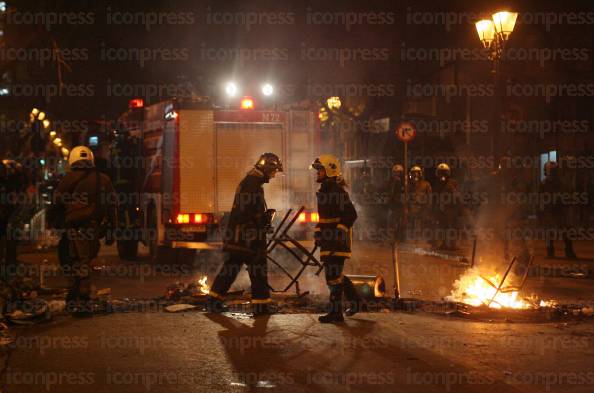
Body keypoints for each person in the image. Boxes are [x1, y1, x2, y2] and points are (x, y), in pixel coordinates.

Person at [206, 153, 283, 315]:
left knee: (232, 268)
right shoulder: (252, 185)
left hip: (240, 238)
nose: (274, 175)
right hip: (247, 239)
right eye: (274, 171)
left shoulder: (252, 182)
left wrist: (261, 220)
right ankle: (261, 307)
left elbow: (247, 212)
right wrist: (261, 222)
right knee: (258, 269)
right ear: (267, 168)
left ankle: (213, 301)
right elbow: (245, 214)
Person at [47, 146, 117, 315]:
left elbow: (56, 203)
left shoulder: (68, 179)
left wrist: (54, 224)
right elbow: (112, 206)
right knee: (84, 261)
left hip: (75, 228)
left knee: (77, 261)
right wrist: (111, 231)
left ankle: (80, 300)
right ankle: (77, 298)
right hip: (94, 228)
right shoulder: (104, 179)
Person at [310, 154, 361, 323]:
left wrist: (339, 231)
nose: (317, 173)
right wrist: (319, 233)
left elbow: (351, 214)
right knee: (335, 275)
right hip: (329, 240)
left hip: (338, 241)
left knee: (333, 277)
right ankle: (356, 301)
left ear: (329, 171)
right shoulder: (325, 190)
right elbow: (325, 219)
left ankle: (335, 313)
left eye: (320, 170)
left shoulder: (337, 191)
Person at [538, 161, 577, 259]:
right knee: (549, 232)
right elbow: (540, 198)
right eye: (551, 171)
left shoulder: (559, 183)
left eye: (554, 171)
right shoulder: (544, 183)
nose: (553, 173)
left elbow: (565, 195)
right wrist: (541, 212)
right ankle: (551, 251)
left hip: (559, 209)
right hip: (549, 210)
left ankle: (569, 251)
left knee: (565, 231)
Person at [432, 163, 460, 250]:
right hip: (442, 209)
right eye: (440, 173)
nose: (442, 175)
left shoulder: (453, 183)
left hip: (451, 209)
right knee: (442, 226)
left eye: (444, 172)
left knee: (452, 227)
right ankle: (444, 243)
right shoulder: (437, 184)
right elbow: (434, 196)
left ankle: (453, 244)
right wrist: (434, 208)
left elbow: (457, 195)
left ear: (448, 173)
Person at [408, 165, 432, 244]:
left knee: (422, 224)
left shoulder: (426, 184)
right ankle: (412, 239)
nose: (415, 175)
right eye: (413, 173)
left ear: (420, 174)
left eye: (417, 173)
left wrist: (428, 208)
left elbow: (429, 197)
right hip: (412, 208)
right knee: (411, 224)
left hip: (422, 208)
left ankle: (423, 240)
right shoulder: (409, 185)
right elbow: (406, 197)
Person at [388, 164, 405, 242]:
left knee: (401, 222)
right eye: (395, 172)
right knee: (392, 221)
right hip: (393, 205)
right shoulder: (391, 182)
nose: (396, 174)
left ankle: (401, 237)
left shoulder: (404, 182)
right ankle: (393, 237)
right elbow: (389, 192)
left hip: (401, 205)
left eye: (398, 172)